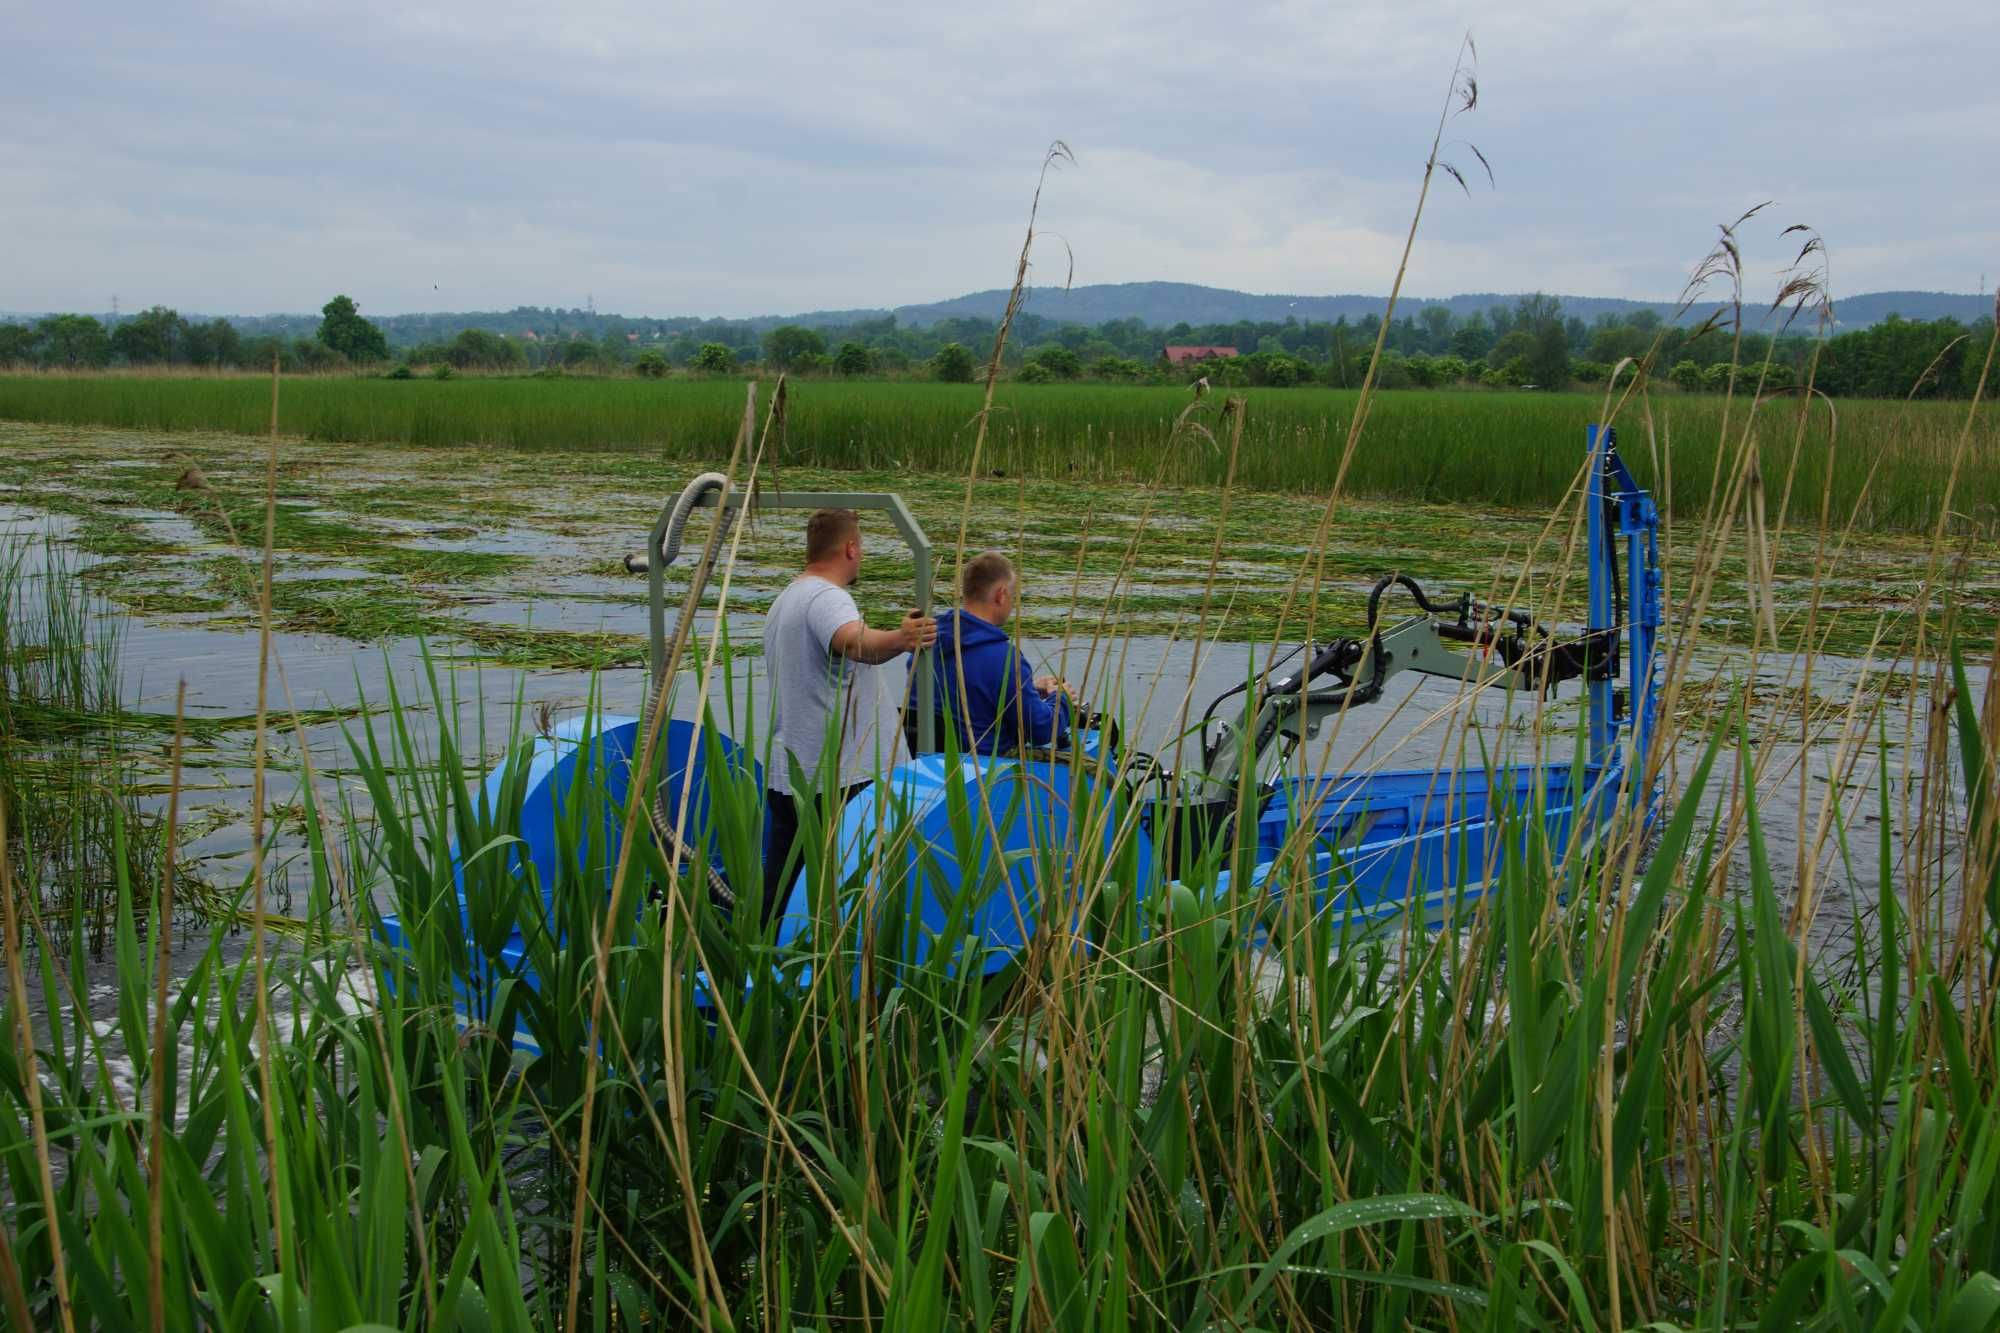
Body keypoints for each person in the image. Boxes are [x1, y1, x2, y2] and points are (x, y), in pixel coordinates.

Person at [761, 507, 935, 924]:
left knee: (783, 900)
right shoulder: (827, 597)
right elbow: (852, 641)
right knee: (849, 899)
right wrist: (902, 638)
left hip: (791, 775)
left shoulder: (785, 599)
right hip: (838, 782)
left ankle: (766, 972)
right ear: (851, 547)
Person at [909, 551, 1074, 756]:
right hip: (984, 771)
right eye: (1013, 595)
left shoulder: (926, 645)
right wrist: (1061, 699)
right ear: (1001, 594)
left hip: (926, 764)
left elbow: (964, 695)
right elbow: (1040, 730)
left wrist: (1027, 688)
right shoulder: (1005, 660)